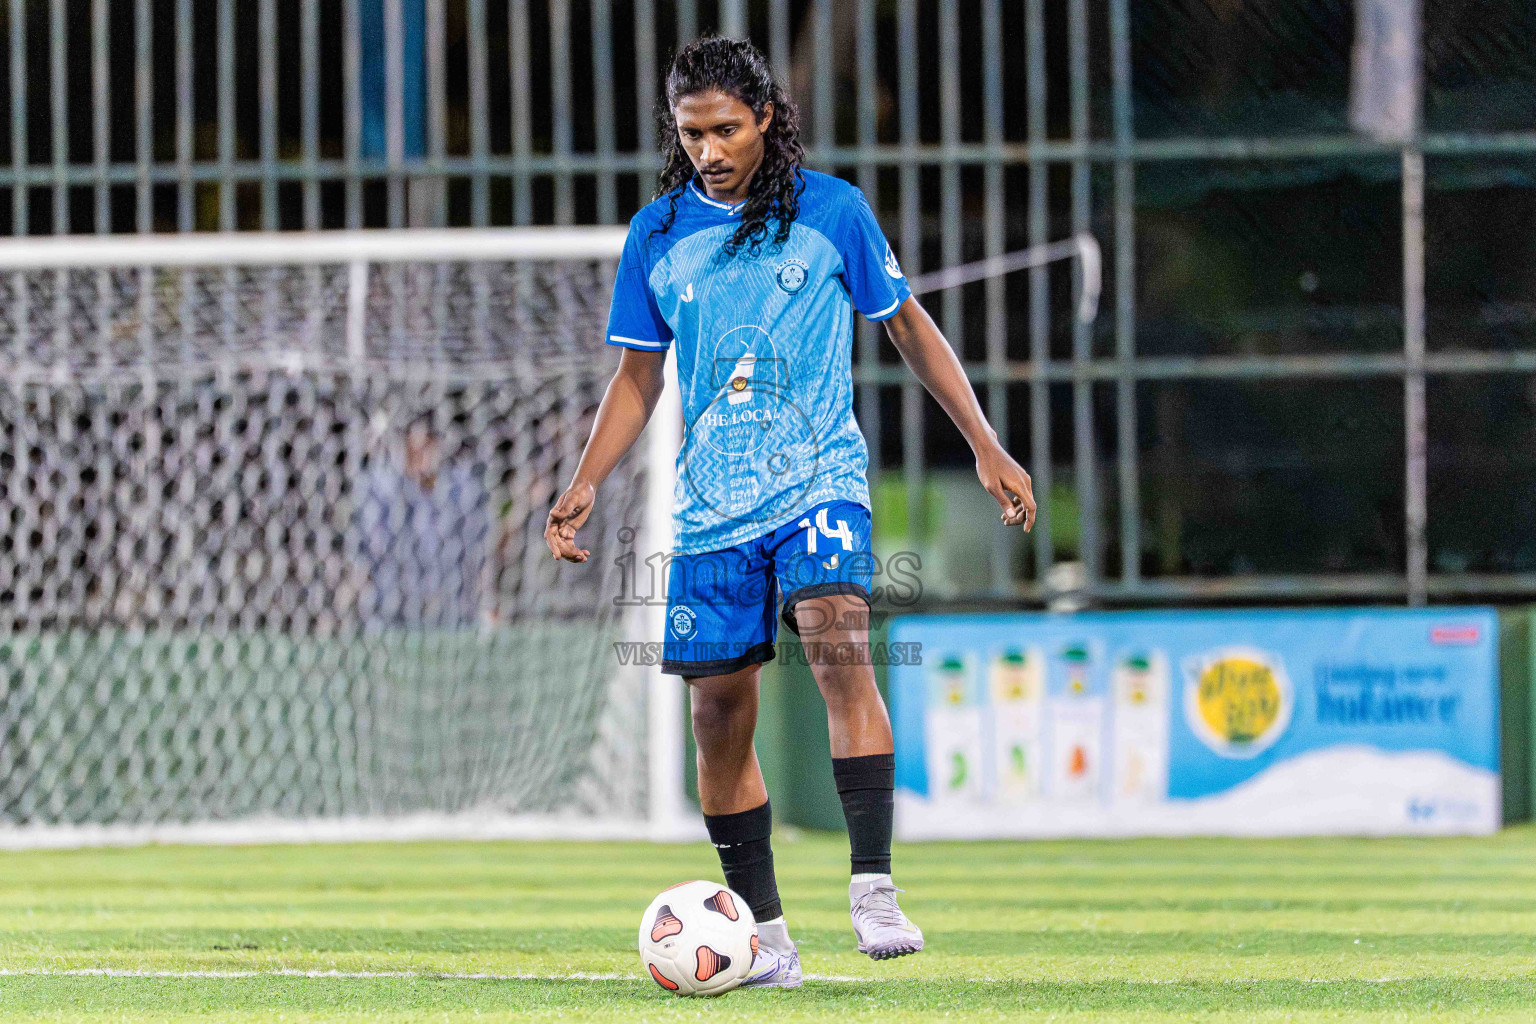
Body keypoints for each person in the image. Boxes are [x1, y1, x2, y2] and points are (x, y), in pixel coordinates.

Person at [544, 37, 1035, 988]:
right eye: (692, 134)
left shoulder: (834, 212)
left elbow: (907, 324)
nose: (710, 149)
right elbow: (638, 375)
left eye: (727, 128)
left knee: (838, 634)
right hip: (710, 507)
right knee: (720, 717)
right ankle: (764, 936)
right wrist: (586, 478)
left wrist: (984, 440)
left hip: (818, 479)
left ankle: (874, 886)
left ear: (767, 119)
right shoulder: (656, 234)